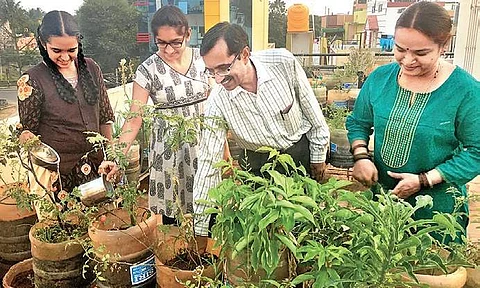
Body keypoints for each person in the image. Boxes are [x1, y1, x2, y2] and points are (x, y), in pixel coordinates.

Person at [346, 1, 480, 241]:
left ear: (443, 45)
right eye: (400, 49)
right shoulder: (380, 79)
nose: (408, 60)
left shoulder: (465, 91)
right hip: (384, 202)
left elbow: (476, 151)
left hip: (438, 210)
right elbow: (358, 122)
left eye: (421, 53)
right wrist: (361, 156)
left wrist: (424, 180)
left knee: (428, 272)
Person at [193, 22, 330, 236]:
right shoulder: (217, 101)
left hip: (299, 158)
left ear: (244, 54)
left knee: (305, 228)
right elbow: (208, 162)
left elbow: (313, 113)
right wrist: (200, 226)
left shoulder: (283, 63)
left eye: (223, 68)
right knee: (265, 233)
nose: (218, 79)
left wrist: (318, 157)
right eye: (211, 71)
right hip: (258, 170)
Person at [99, 5, 214, 224]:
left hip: (204, 144)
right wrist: (117, 158)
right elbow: (134, 118)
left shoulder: (203, 61)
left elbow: (217, 104)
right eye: (161, 43)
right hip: (168, 150)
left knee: (209, 207)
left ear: (188, 35)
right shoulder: (147, 69)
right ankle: (178, 255)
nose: (168, 50)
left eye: (175, 42)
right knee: (173, 215)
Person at [17, 10, 114, 195]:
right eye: (57, 50)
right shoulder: (31, 80)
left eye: (71, 50)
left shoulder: (92, 68)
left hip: (96, 169)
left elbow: (104, 117)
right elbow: (28, 132)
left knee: (102, 221)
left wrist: (111, 156)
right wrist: (25, 136)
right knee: (61, 223)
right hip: (57, 176)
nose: (64, 57)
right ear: (44, 44)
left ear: (78, 43)